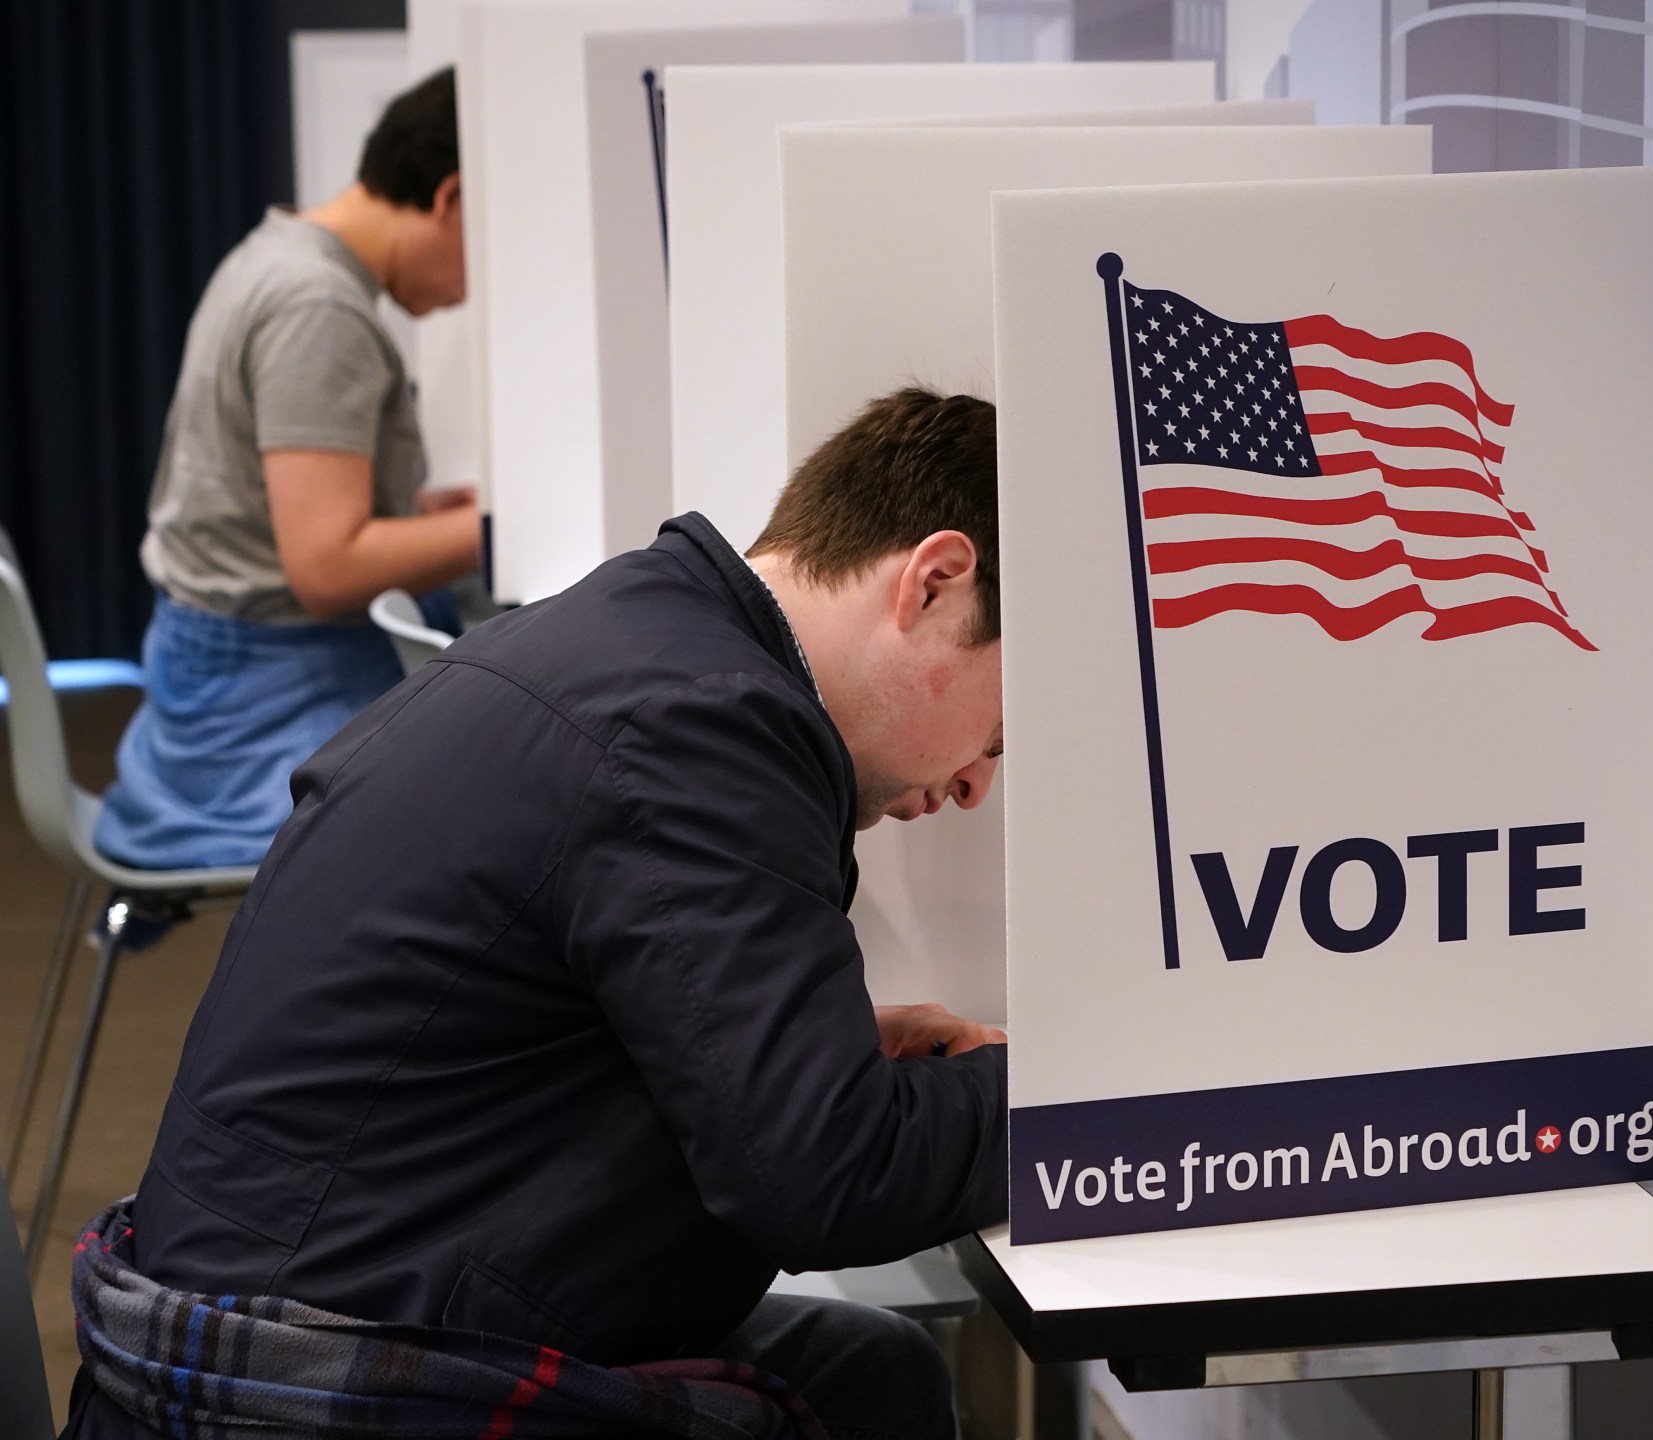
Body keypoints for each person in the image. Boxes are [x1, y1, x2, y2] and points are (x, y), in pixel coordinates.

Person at [63, 389, 1011, 1440]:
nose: (977, 782)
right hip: (308, 1374)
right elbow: (835, 1180)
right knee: (863, 1389)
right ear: (934, 580)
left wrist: (820, 1058)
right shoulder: (706, 730)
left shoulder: (639, 641)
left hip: (287, 1279)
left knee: (873, 1373)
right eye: (1000, 728)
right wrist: (1073, 1098)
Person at [93, 67, 482, 872]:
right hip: (258, 708)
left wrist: (431, 514)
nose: (474, 289)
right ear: (451, 197)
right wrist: (500, 527)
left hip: (217, 681)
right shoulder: (318, 306)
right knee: (504, 812)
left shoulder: (277, 255)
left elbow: (276, 514)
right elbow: (326, 568)